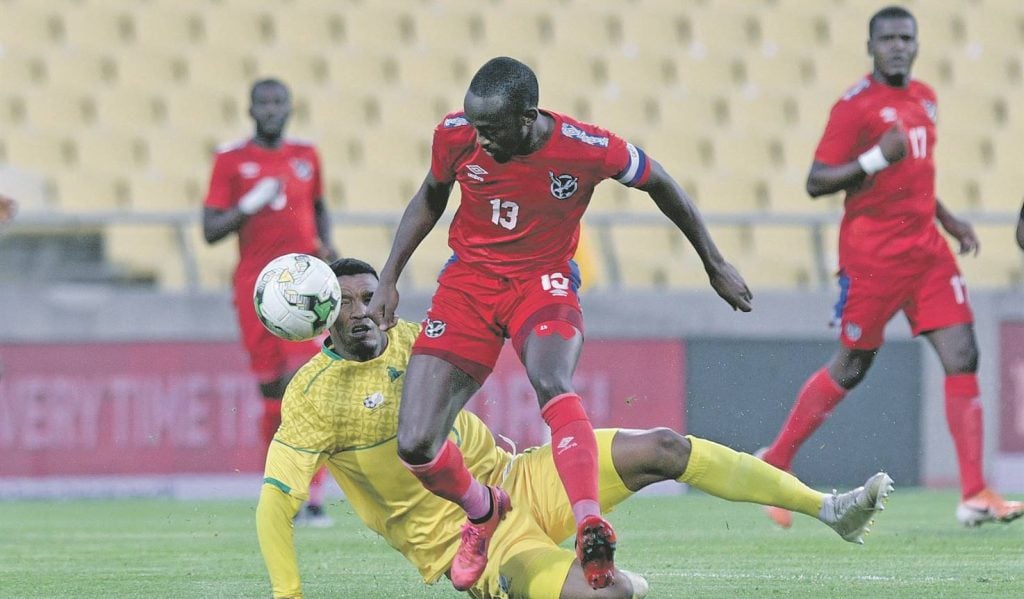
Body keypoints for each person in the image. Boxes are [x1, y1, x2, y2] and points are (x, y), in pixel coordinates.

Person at [256, 257, 893, 599]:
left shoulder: (418, 340)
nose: (364, 311)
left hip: (522, 476)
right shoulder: (313, 397)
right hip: (467, 545)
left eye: (372, 297)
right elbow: (273, 506)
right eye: (348, 302)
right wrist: (288, 594)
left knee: (666, 445)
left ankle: (827, 508)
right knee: (607, 597)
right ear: (323, 315)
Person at [365, 56, 753, 591]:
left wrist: (714, 263)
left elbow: (661, 182)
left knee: (552, 381)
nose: (480, 141)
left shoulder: (588, 147)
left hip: (541, 281)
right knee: (414, 444)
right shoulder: (456, 135)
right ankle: (483, 511)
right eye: (475, 127)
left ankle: (590, 520)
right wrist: (388, 277)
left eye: (492, 131)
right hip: (469, 285)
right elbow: (431, 196)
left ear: (527, 118)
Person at [757, 5, 1023, 529]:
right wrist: (875, 158)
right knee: (853, 365)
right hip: (872, 257)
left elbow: (917, 170)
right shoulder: (854, 107)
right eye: (888, 39)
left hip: (926, 252)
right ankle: (776, 462)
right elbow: (816, 181)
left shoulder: (926, 97)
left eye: (906, 37)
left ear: (917, 44)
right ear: (871, 47)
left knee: (962, 352)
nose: (898, 46)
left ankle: (974, 493)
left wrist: (948, 220)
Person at [202, 78, 337, 526]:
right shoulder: (231, 160)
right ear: (250, 108)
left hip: (303, 287)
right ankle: (280, 488)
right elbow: (210, 230)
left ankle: (312, 494)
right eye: (264, 102)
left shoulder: (306, 156)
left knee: (306, 387)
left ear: (291, 107)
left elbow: (318, 208)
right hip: (255, 290)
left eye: (280, 101)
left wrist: (328, 249)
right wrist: (247, 207)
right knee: (270, 393)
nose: (272, 110)